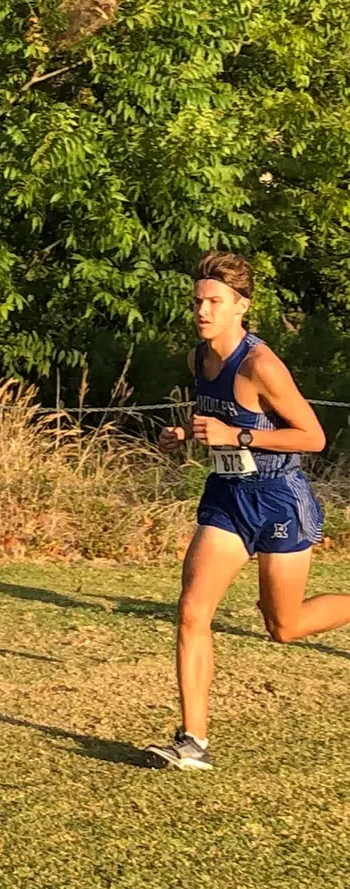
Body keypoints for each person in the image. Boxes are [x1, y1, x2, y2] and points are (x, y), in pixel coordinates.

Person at [145, 250, 348, 770]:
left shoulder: (260, 365)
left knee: (283, 626)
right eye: (197, 301)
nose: (202, 311)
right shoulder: (198, 359)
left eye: (214, 301)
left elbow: (313, 437)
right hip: (227, 498)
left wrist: (240, 434)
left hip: (279, 497)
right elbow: (211, 418)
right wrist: (184, 432)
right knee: (192, 611)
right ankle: (191, 742)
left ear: (242, 306)